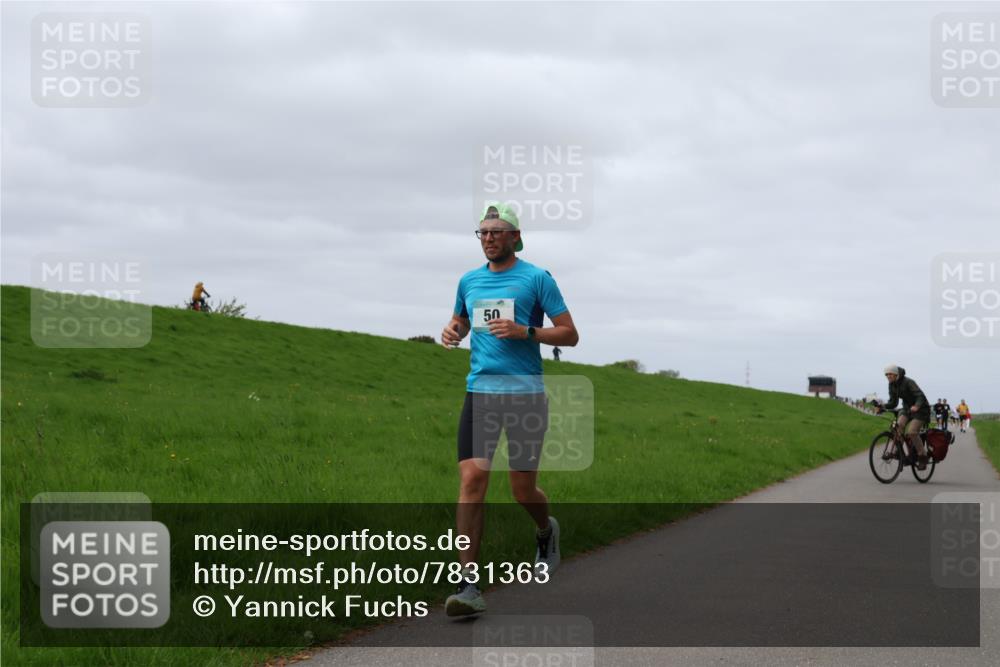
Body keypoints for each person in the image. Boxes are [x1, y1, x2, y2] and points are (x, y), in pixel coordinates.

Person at [440, 202, 579, 617]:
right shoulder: (468, 280)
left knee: (522, 490)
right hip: (480, 392)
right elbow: (461, 320)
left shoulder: (537, 278)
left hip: (525, 394)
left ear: (515, 236)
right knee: (472, 480)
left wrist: (526, 331)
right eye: (482, 232)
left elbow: (570, 334)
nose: (488, 239)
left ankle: (544, 530)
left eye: (497, 232)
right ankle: (468, 586)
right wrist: (453, 330)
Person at [876, 365, 931, 470]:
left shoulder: (908, 382)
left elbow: (920, 396)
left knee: (912, 432)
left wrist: (917, 406)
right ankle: (900, 453)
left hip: (921, 410)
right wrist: (882, 407)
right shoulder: (892, 385)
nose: (888, 376)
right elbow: (893, 402)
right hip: (907, 409)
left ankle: (922, 456)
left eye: (890, 374)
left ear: (896, 374)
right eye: (886, 374)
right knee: (898, 426)